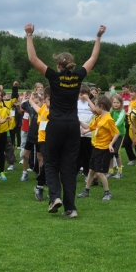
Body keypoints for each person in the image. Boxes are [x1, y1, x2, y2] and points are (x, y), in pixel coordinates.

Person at [25, 22, 106, 218]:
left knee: (51, 162)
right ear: (71, 65)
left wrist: (29, 35)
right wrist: (98, 37)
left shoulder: (53, 77)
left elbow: (33, 58)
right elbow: (93, 58)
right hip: (72, 126)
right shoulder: (78, 77)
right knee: (69, 167)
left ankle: (55, 197)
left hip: (56, 124)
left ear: (58, 66)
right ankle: (71, 208)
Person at [78, 96, 119, 201]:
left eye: (95, 106)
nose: (94, 109)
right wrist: (83, 128)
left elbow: (116, 133)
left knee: (100, 172)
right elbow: (91, 127)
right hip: (96, 147)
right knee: (91, 170)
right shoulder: (100, 118)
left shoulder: (109, 119)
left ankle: (107, 192)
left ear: (101, 106)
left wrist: (111, 144)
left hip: (103, 149)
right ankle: (86, 190)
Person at [107, 95, 126, 178]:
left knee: (116, 152)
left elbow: (118, 122)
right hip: (111, 134)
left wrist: (110, 127)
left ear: (121, 103)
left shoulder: (122, 112)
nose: (115, 104)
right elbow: (107, 118)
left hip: (120, 134)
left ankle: (119, 171)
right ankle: (110, 171)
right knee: (110, 153)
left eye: (117, 102)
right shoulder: (111, 111)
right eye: (114, 102)